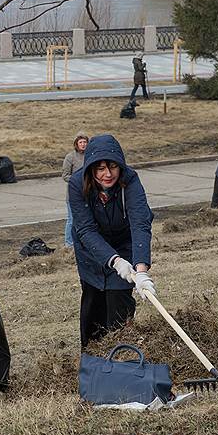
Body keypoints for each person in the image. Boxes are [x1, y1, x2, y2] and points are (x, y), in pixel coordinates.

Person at [68, 134, 155, 348]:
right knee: (94, 301)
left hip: (123, 244)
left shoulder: (130, 180)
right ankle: (92, 359)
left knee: (118, 302)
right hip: (91, 250)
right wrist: (113, 261)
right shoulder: (77, 184)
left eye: (113, 167)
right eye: (100, 168)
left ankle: (122, 354)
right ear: (91, 169)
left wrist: (141, 270)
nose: (107, 174)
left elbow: (140, 223)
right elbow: (85, 229)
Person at [62, 132, 89, 247]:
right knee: (72, 219)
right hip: (74, 194)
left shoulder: (90, 155)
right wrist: (77, 181)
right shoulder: (70, 157)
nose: (83, 144)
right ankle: (69, 243)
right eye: (80, 142)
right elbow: (65, 175)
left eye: (85, 142)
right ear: (76, 144)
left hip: (88, 193)